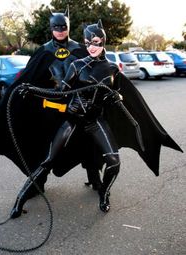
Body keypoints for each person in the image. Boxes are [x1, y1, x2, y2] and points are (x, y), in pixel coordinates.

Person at [9, 20, 183, 218]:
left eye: (96, 42)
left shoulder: (112, 69)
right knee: (47, 161)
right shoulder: (76, 65)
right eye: (87, 42)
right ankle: (20, 200)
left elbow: (119, 93)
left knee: (114, 162)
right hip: (72, 120)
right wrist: (34, 91)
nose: (91, 46)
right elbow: (60, 92)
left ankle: (104, 193)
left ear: (103, 42)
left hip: (95, 121)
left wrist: (116, 96)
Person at [0, 9, 103, 203]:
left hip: (76, 108)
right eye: (56, 27)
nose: (60, 31)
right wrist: (15, 93)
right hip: (50, 110)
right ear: (51, 28)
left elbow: (96, 72)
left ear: (68, 27)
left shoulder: (80, 49)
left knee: (87, 141)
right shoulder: (43, 51)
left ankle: (94, 178)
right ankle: (38, 184)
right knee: (43, 147)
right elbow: (29, 77)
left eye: (63, 27)